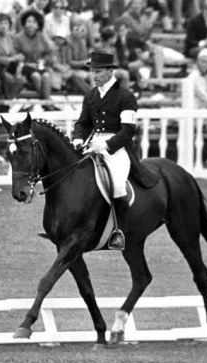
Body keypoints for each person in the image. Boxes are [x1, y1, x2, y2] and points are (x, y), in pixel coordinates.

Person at [72, 51, 158, 250]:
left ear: (111, 71)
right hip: (93, 144)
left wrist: (108, 145)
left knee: (118, 185)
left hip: (117, 147)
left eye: (99, 71)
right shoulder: (91, 94)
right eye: (93, 71)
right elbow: (84, 123)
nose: (94, 75)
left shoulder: (126, 96)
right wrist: (78, 139)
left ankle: (119, 231)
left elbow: (128, 130)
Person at [14, 9, 54, 106]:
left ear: (38, 25)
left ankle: (45, 102)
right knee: (36, 76)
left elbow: (49, 53)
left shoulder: (42, 37)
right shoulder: (18, 38)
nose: (31, 24)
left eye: (34, 22)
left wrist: (43, 60)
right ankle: (47, 102)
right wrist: (23, 61)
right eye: (29, 21)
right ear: (24, 24)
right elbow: (15, 55)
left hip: (39, 65)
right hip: (24, 66)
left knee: (46, 76)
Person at [0, 12, 27, 99]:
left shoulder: (9, 38)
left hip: (8, 68)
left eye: (6, 23)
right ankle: (4, 102)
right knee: (10, 80)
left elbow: (13, 54)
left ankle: (7, 103)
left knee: (21, 80)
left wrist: (18, 57)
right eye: (1, 23)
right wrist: (13, 58)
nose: (4, 26)